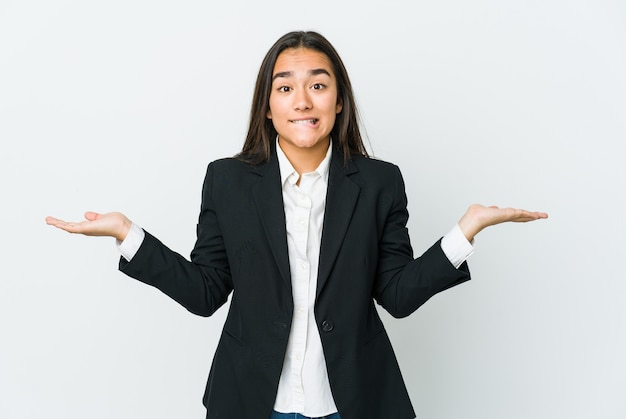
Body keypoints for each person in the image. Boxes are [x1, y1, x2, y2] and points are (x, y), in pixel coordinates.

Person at [46, 30, 547, 419]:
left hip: (353, 400)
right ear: (268, 106)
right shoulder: (227, 181)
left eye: (318, 85)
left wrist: (465, 232)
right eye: (285, 87)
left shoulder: (378, 183)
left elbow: (396, 295)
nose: (302, 101)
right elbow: (206, 291)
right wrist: (127, 234)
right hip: (251, 400)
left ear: (339, 100)